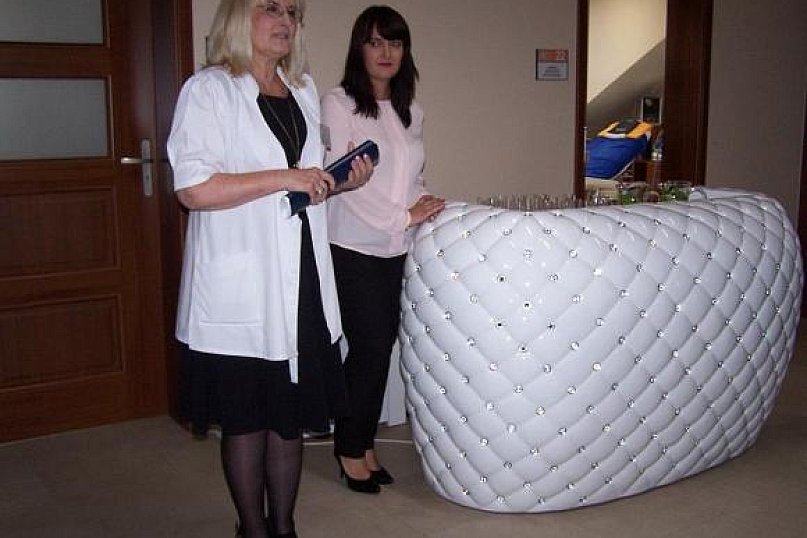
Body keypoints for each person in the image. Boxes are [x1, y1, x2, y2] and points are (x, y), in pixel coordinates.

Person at [167, 1, 373, 537]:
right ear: (240, 17)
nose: (285, 20)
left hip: (301, 276)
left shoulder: (300, 90)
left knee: (288, 417)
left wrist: (339, 181)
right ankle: (252, 529)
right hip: (242, 282)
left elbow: (303, 187)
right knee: (247, 418)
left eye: (293, 12)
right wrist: (286, 176)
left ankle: (284, 528)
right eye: (271, 8)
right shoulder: (208, 91)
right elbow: (193, 189)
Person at [321, 5, 445, 494]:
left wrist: (426, 206)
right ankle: (350, 448)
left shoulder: (412, 110)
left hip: (398, 247)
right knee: (370, 348)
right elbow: (342, 180)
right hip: (354, 244)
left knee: (381, 348)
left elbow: (409, 179)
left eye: (394, 42)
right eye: (375, 42)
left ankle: (364, 443)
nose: (386, 52)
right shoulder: (339, 104)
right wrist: (403, 216)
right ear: (360, 49)